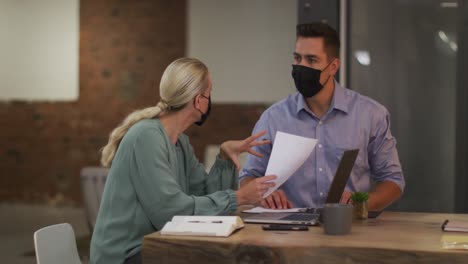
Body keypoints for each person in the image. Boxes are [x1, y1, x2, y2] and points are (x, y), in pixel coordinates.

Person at [90, 58, 276, 264]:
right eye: (210, 92)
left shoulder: (180, 142)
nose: (210, 99)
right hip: (124, 254)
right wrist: (239, 197)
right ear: (198, 100)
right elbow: (170, 211)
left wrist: (224, 158)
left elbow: (204, 194)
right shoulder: (146, 137)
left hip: (154, 246)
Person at [239, 22, 405, 212]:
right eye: (297, 58)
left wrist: (362, 203)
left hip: (350, 229)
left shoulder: (371, 115)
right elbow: (248, 177)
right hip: (289, 232)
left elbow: (393, 181)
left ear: (333, 66)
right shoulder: (273, 118)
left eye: (311, 60)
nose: (301, 66)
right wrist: (264, 195)